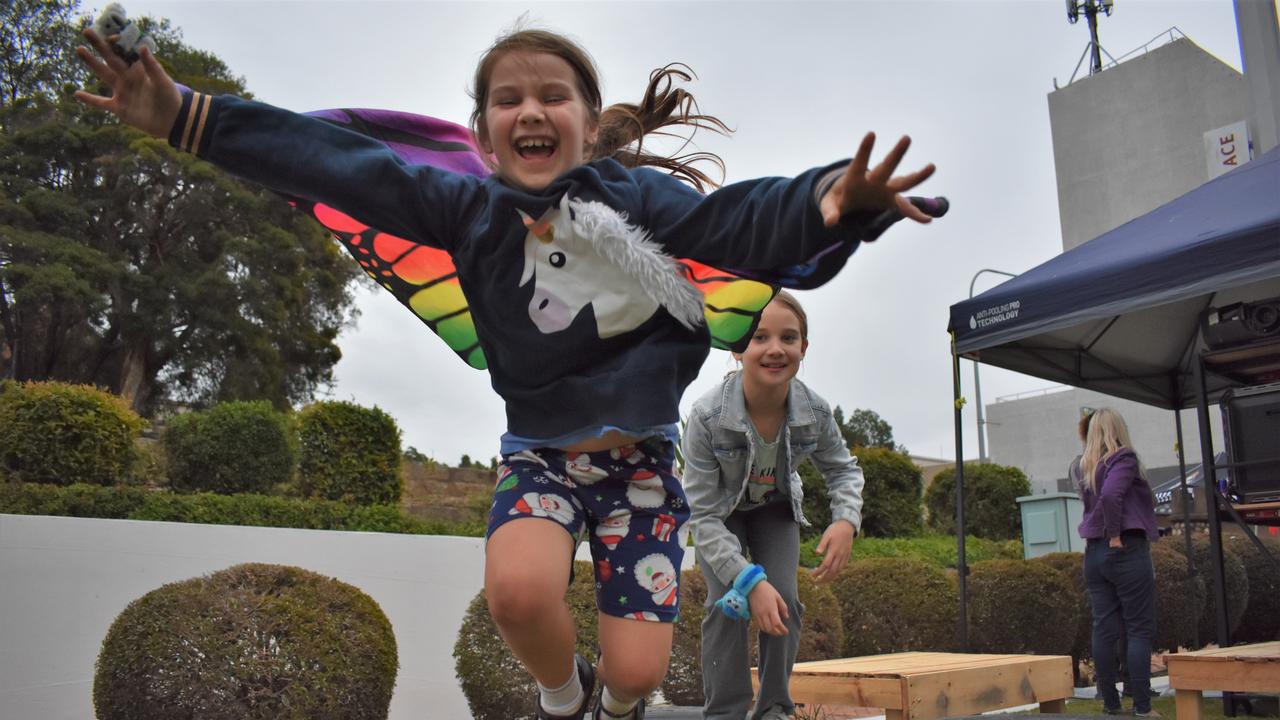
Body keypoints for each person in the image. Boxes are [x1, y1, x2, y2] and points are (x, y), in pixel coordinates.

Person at [75, 21, 939, 720]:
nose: (531, 109)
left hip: (639, 467)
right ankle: (564, 698)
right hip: (539, 457)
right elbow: (344, 165)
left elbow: (734, 224)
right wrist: (192, 117)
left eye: (552, 95)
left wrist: (829, 200)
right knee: (519, 594)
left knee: (638, 676)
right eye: (508, 99)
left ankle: (610, 699)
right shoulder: (468, 210)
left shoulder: (634, 201)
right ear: (486, 135)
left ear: (590, 125)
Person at [682, 291, 863, 720]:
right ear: (737, 347)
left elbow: (843, 470)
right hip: (720, 516)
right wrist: (747, 581)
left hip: (773, 508)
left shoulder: (815, 412)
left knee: (782, 598)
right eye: (760, 337)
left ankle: (775, 708)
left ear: (804, 348)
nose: (775, 348)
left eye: (789, 337)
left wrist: (845, 521)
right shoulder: (707, 417)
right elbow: (703, 515)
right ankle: (726, 712)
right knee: (728, 600)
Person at [1076, 408, 1160, 717]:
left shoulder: (1083, 465)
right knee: (1138, 629)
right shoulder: (1124, 458)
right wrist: (1115, 534)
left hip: (1094, 554)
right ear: (1118, 429)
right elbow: (1112, 496)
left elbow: (1100, 499)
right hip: (1124, 547)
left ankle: (1111, 704)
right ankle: (1142, 706)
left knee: (1104, 628)